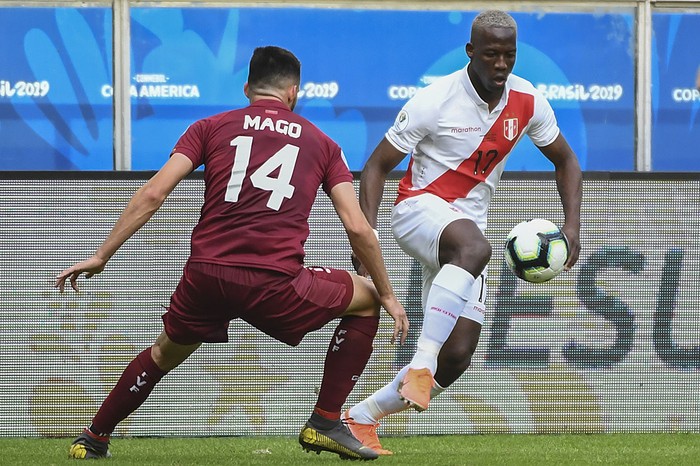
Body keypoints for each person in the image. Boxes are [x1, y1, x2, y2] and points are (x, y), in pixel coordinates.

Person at [54, 45, 408, 461]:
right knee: (364, 299)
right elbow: (358, 228)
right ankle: (325, 421)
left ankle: (93, 437)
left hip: (207, 276)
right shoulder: (324, 144)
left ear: (247, 89)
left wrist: (101, 255)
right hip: (275, 282)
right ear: (294, 92)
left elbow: (153, 193)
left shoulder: (208, 127)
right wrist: (386, 293)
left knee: (163, 353)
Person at [344, 10, 582, 455]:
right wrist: (365, 236)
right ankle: (420, 361)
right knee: (477, 247)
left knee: (457, 357)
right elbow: (375, 167)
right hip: (417, 211)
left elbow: (567, 161)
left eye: (508, 55)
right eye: (491, 54)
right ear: (471, 51)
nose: (500, 65)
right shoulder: (434, 100)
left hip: (464, 234)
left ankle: (362, 418)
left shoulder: (528, 102)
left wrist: (572, 226)